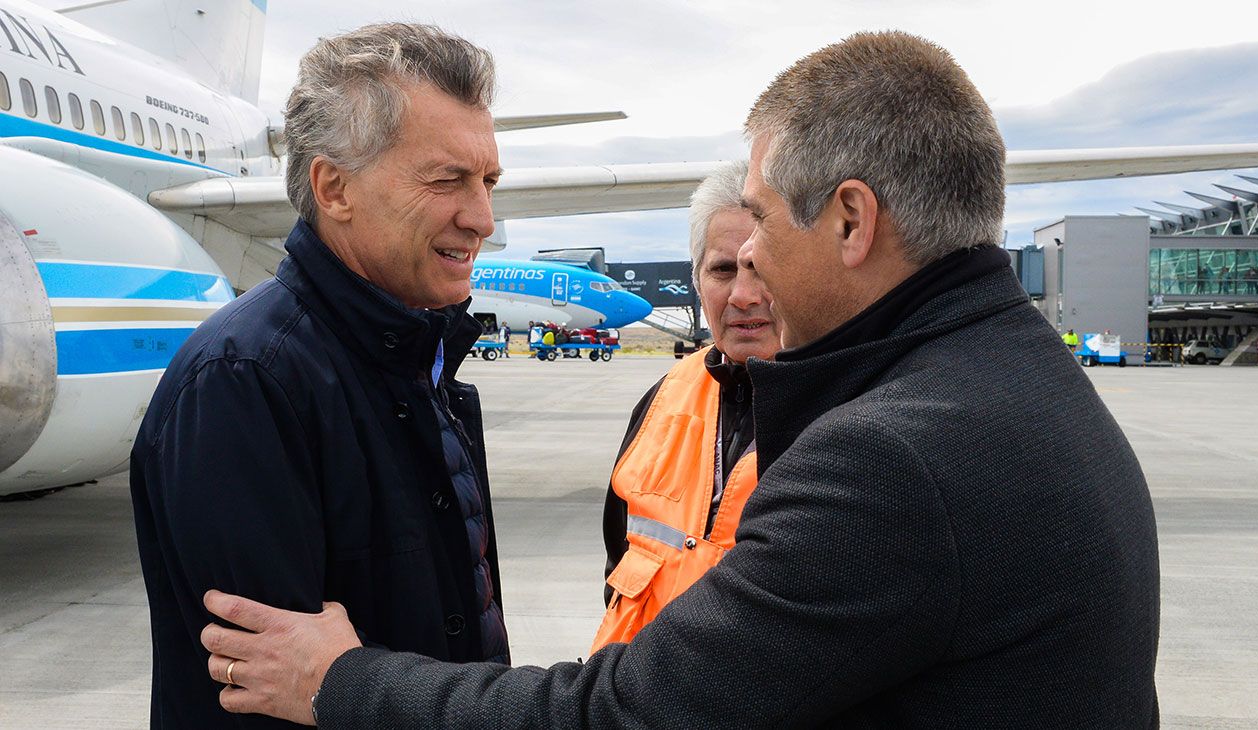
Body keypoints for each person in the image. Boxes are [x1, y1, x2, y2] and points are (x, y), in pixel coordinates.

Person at [199, 31, 1160, 728]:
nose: (753, 272)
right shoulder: (1019, 374)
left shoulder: (896, 455)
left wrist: (341, 682)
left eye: (765, 224)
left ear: (853, 223)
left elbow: (626, 716)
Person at [130, 23, 509, 728]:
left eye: (487, 181)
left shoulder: (417, 357)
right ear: (334, 189)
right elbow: (269, 702)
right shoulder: (244, 382)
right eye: (447, 180)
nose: (483, 218)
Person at [593, 160, 780, 651]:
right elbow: (618, 561)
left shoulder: (851, 412)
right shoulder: (662, 400)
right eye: (722, 269)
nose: (743, 295)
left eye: (762, 267)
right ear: (696, 279)